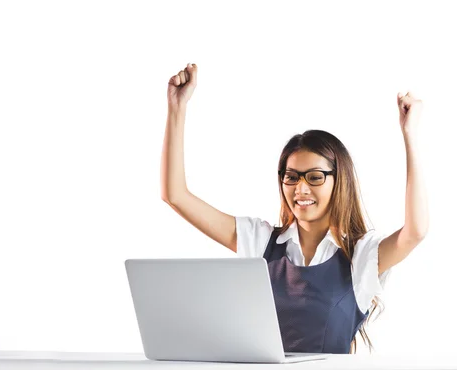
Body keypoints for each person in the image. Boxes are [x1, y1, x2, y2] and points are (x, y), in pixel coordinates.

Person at [161, 63, 429, 354]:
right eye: (291, 177)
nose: (300, 189)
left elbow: (415, 232)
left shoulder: (360, 256)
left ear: (340, 182)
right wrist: (177, 107)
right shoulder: (262, 242)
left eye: (314, 177)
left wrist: (410, 135)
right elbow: (175, 195)